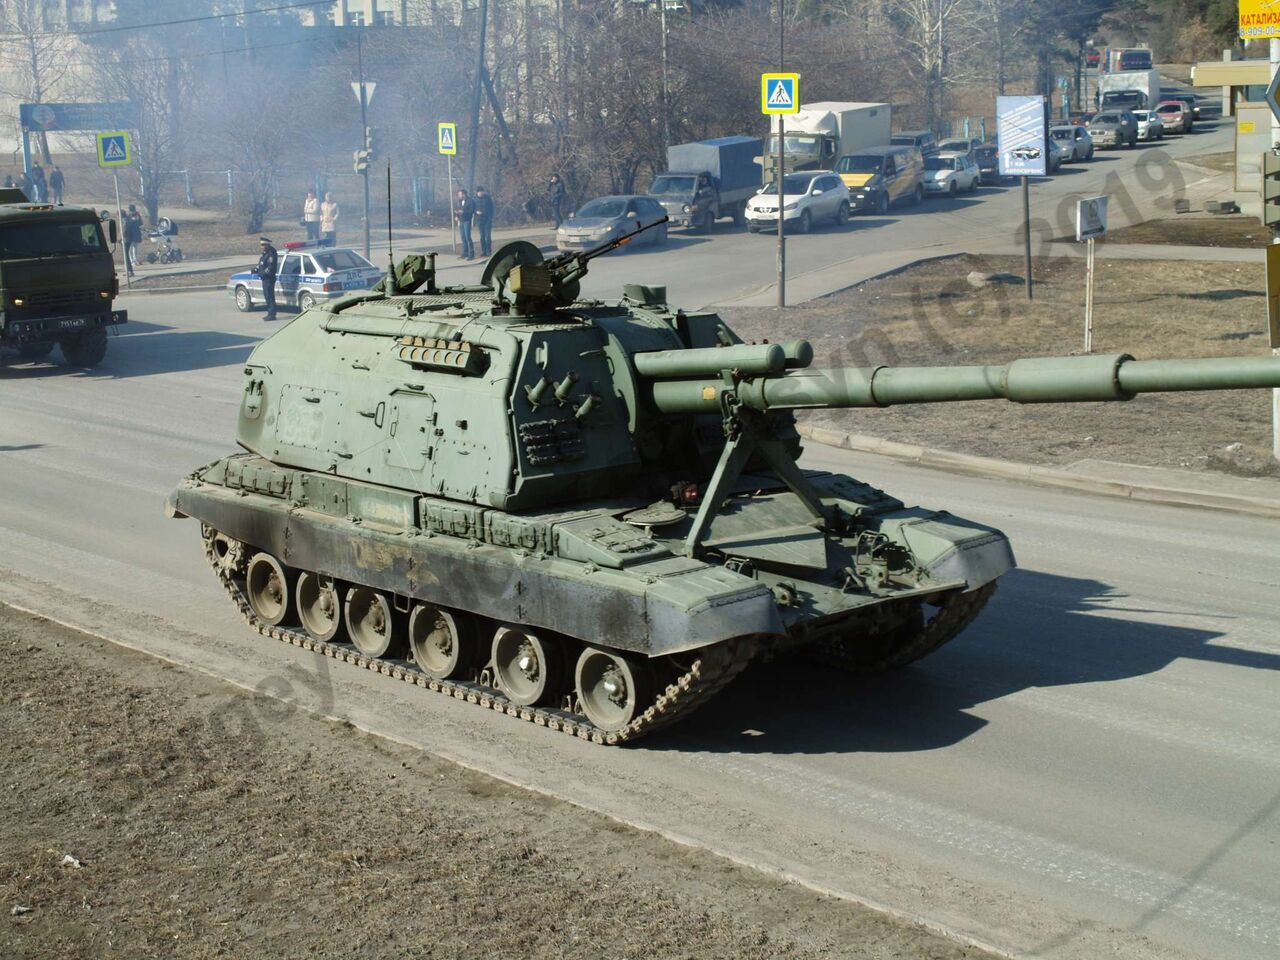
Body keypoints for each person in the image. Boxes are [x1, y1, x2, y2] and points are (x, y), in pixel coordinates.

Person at [253, 237, 278, 321]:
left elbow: (270, 267)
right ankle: (269, 313)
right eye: (261, 245)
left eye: (264, 245)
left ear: (267, 245)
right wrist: (256, 269)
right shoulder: (265, 254)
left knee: (269, 296)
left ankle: (272, 314)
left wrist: (263, 273)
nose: (262, 246)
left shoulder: (271, 254)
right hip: (265, 278)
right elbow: (262, 264)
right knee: (267, 296)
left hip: (269, 278)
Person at [123, 204, 144, 276]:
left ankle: (134, 260)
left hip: (134, 233)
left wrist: (137, 219)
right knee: (131, 247)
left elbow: (140, 223)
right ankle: (132, 261)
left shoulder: (136, 215)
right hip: (131, 233)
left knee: (134, 247)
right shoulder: (128, 216)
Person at [474, 185, 494, 257]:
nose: (481, 193)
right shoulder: (474, 199)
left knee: (488, 236)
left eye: (482, 192)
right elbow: (473, 209)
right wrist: (476, 212)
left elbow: (492, 208)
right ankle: (483, 251)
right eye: (479, 192)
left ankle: (489, 251)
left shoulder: (488, 198)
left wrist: (491, 218)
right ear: (477, 193)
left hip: (487, 220)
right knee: (482, 236)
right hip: (479, 220)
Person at [455, 188, 475, 260]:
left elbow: (472, 211)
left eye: (459, 194)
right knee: (463, 237)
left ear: (464, 194)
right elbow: (457, 209)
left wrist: (463, 212)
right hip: (461, 221)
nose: (458, 196)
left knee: (467, 237)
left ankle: (471, 254)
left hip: (467, 220)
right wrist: (457, 216)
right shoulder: (459, 201)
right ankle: (464, 253)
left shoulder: (470, 201)